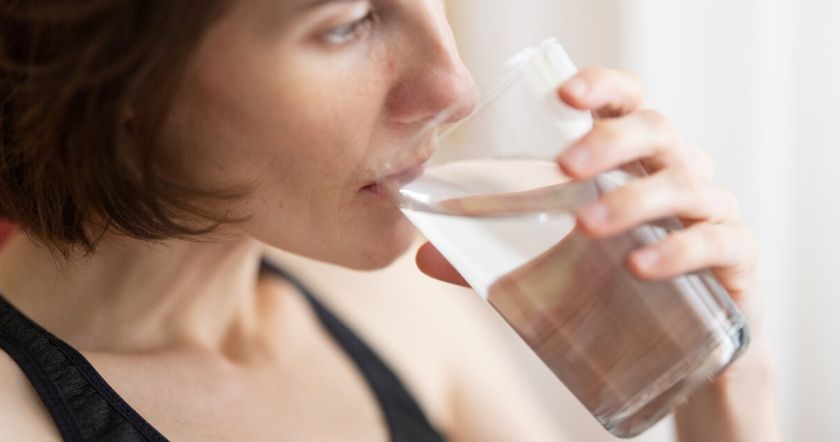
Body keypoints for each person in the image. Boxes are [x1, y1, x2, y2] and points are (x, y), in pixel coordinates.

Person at [0, 1, 780, 441]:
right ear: (116, 75)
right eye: (348, 21)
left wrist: (725, 383)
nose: (455, 88)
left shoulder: (396, 304)